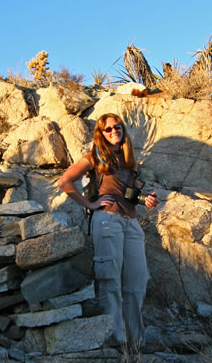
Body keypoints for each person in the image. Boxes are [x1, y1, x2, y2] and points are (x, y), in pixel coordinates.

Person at [58, 113, 158, 348]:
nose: (114, 131)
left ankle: (136, 342)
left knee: (137, 281)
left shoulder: (128, 161)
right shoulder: (94, 157)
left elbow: (133, 194)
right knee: (110, 279)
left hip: (130, 222)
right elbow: (65, 181)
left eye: (118, 127)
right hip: (107, 220)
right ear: (101, 134)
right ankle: (115, 341)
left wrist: (148, 200)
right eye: (108, 129)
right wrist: (90, 204)